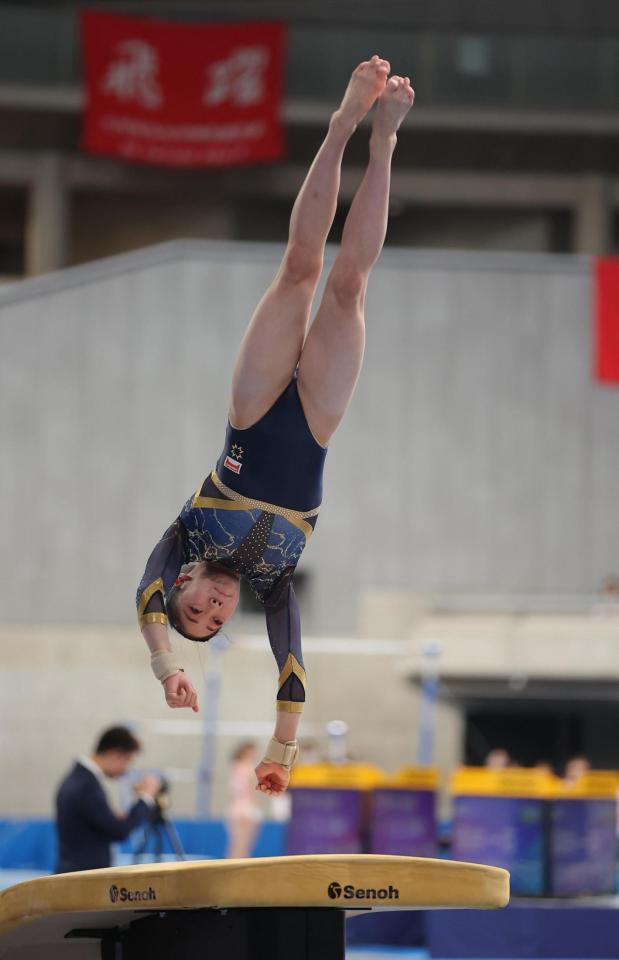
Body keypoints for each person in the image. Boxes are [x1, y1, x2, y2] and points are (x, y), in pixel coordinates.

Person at [136, 57, 415, 797]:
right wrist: (278, 755)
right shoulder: (276, 583)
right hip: (319, 422)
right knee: (349, 285)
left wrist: (168, 666)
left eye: (193, 605)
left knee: (299, 267)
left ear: (185, 582)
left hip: (252, 411)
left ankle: (342, 123)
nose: (212, 605)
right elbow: (291, 673)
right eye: (213, 620)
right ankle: (383, 142)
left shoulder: (183, 540)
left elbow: (145, 598)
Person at [55, 726, 160, 873]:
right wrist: (145, 797)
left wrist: (113, 817)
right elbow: (118, 831)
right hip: (82, 879)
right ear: (114, 754)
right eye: (127, 761)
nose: (127, 769)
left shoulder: (79, 779)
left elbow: (99, 824)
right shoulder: (87, 786)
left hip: (76, 874)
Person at [226, 742, 262, 859]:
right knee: (243, 842)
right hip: (245, 807)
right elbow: (251, 790)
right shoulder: (247, 768)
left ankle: (234, 863)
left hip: (237, 807)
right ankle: (236, 865)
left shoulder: (236, 767)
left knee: (238, 842)